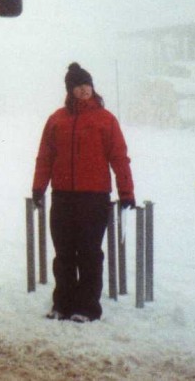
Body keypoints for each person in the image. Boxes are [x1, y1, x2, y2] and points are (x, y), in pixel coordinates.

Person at [31, 62, 135, 323]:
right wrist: (38, 187)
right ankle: (62, 305)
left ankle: (87, 308)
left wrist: (126, 192)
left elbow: (119, 158)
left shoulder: (106, 119)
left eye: (87, 85)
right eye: (78, 86)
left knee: (89, 253)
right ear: (70, 90)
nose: (84, 90)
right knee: (64, 253)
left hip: (94, 197)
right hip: (63, 196)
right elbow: (45, 157)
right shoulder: (57, 120)